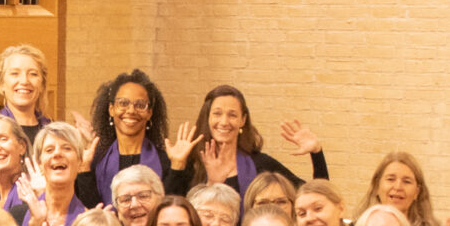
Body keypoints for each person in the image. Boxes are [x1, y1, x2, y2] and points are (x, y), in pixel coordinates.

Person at [170, 85, 296, 196]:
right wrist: (177, 164)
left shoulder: (261, 164)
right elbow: (169, 210)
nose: (224, 122)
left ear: (243, 120)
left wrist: (315, 152)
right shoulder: (192, 163)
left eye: (232, 115)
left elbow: (308, 194)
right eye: (217, 114)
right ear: (207, 118)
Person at [88, 71, 169, 200]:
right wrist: (82, 170)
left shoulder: (165, 162)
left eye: (140, 105)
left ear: (149, 113)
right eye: (123, 103)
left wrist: (178, 166)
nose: (131, 111)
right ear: (111, 109)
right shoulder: (95, 162)